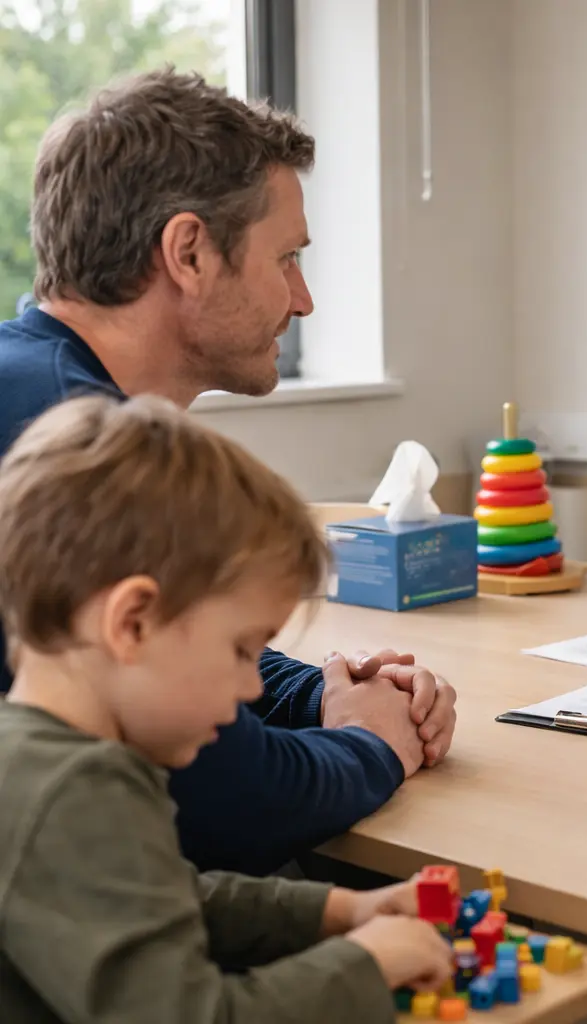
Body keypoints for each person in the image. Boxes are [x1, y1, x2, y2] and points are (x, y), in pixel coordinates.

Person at [0, 69, 456, 875]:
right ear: (189, 253)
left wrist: (314, 691)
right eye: (285, 259)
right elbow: (225, 802)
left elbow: (151, 671)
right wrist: (372, 743)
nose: (305, 299)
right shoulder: (86, 453)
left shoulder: (30, 381)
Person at [0, 394, 453, 1023]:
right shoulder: (80, 787)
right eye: (243, 650)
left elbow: (161, 899)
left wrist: (338, 912)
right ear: (132, 623)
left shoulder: (31, 754)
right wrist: (366, 964)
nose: (250, 689)